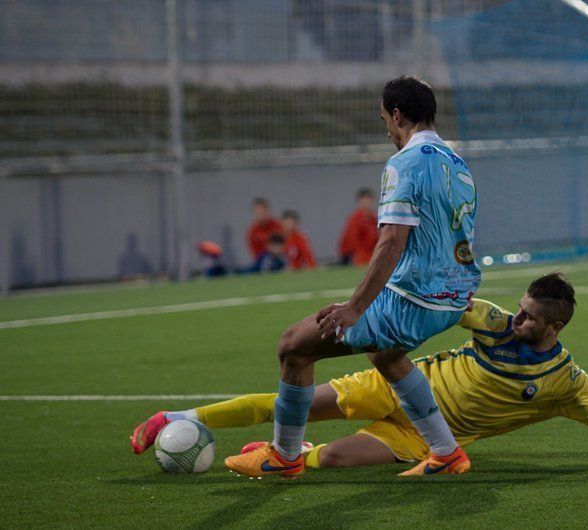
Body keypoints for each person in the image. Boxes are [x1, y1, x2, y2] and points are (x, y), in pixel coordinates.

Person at [131, 76, 481, 478]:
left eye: (384, 118)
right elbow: (460, 233)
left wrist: (355, 308)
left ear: (397, 115)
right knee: (386, 355)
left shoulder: (404, 163)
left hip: (413, 301)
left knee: (294, 346)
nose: (386, 127)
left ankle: (284, 456)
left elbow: (391, 242)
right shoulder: (457, 164)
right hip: (452, 297)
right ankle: (446, 451)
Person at [130, 274, 588, 469]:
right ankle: (177, 417)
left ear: (553, 328)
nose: (517, 319)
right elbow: (451, 303)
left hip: (417, 434)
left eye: (529, 318)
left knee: (329, 460)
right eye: (519, 308)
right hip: (390, 384)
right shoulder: (495, 319)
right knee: (292, 397)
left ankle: (277, 456)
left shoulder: (566, 384)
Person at [338, 188, 379, 266]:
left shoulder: (373, 218)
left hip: (370, 253)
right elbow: (352, 240)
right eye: (364, 200)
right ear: (360, 201)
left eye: (369, 199)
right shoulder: (355, 218)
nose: (367, 202)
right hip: (356, 256)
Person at [246, 198, 283, 266]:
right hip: (262, 261)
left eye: (263, 212)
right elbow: (255, 254)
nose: (261, 215)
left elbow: (285, 245)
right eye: (258, 212)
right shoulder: (253, 231)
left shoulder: (277, 226)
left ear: (267, 211)